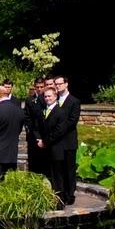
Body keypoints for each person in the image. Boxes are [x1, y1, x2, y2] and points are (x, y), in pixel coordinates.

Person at [38, 77, 82, 207]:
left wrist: (58, 130)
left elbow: (72, 121)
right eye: (55, 84)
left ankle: (70, 194)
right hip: (56, 143)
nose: (57, 86)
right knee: (58, 171)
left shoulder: (74, 101)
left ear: (66, 84)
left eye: (60, 84)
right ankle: (60, 195)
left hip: (68, 140)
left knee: (69, 169)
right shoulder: (51, 102)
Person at [25, 78, 49, 175]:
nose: (39, 89)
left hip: (45, 134)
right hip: (32, 135)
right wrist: (32, 132)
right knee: (33, 160)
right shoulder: (29, 100)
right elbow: (27, 117)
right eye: (37, 87)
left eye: (41, 87)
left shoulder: (48, 98)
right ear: (34, 87)